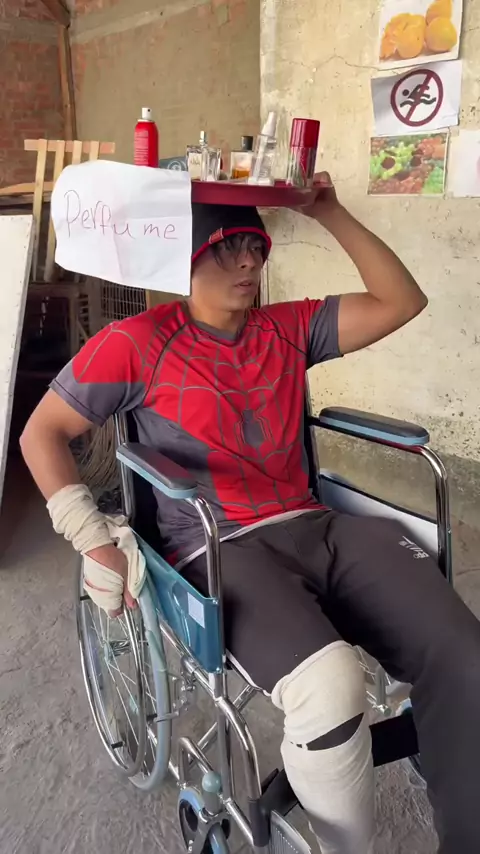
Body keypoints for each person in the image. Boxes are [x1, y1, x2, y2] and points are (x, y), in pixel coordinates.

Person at [20, 173, 480, 854]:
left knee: (465, 655)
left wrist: (330, 211)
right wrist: (93, 539)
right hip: (217, 546)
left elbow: (400, 301)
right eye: (225, 248)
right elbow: (42, 434)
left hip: (315, 523)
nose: (246, 263)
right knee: (330, 689)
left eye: (255, 248)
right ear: (183, 256)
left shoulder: (288, 328)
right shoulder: (135, 342)